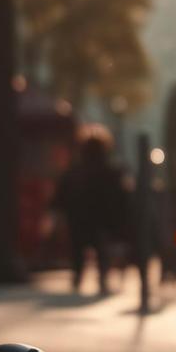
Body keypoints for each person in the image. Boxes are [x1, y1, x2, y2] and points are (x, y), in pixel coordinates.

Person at [52, 126, 127, 296]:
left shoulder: (74, 171)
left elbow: (60, 196)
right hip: (101, 221)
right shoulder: (110, 172)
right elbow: (120, 199)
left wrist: (56, 213)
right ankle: (101, 279)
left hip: (78, 220)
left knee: (77, 250)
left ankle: (78, 278)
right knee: (102, 250)